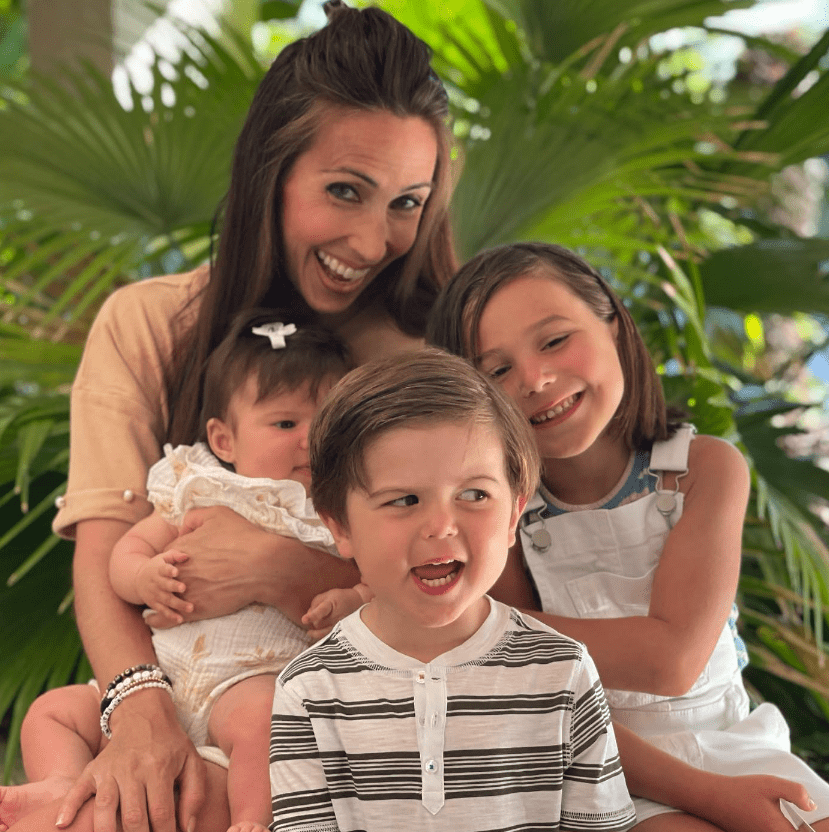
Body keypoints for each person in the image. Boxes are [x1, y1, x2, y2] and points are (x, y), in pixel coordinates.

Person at [38, 3, 456, 831]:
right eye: (345, 191)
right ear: (271, 173)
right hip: (164, 687)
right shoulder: (148, 325)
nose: (372, 242)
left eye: (406, 202)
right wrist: (141, 714)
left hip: (351, 721)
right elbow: (105, 556)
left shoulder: (426, 359)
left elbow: (462, 601)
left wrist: (278, 568)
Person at [426, 241, 829, 831]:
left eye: (554, 340)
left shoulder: (705, 467)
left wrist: (491, 633)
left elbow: (673, 661)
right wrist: (500, 645)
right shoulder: (497, 514)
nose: (535, 379)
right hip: (607, 767)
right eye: (497, 370)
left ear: (613, 324)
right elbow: (543, 698)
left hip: (738, 745)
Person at [2, 311, 360, 832]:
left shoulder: (340, 508)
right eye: (285, 424)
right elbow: (126, 551)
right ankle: (63, 783)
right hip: (160, 676)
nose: (309, 441)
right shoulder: (199, 486)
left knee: (266, 722)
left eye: (325, 424)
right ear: (224, 440)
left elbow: (369, 588)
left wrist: (348, 601)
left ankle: (253, 820)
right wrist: (142, 576)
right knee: (53, 711)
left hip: (247, 681)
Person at [270, 349, 637, 832]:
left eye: (473, 495)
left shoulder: (564, 671)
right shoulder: (308, 689)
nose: (442, 526)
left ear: (513, 514)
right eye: (404, 499)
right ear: (340, 526)